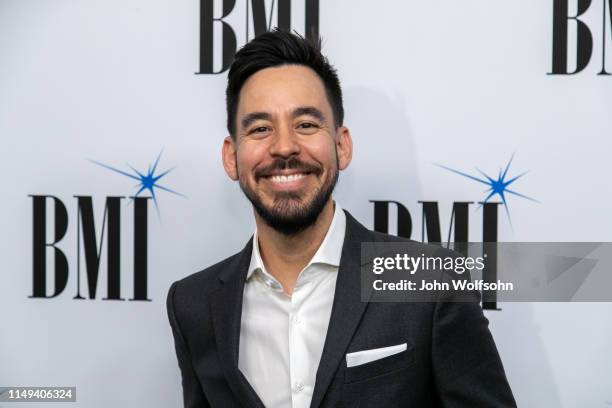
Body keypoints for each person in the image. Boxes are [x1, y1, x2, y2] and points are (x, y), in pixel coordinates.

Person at [166, 29, 516, 408]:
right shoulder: (194, 304)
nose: (284, 146)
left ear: (341, 146)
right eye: (261, 128)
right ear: (232, 157)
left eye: (306, 124)